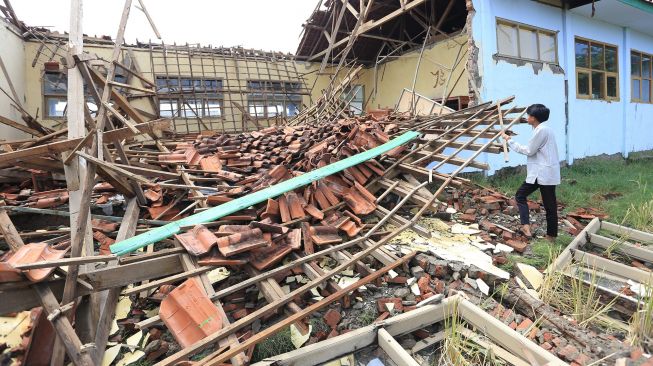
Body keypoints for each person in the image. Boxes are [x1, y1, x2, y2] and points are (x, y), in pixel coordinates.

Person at [501, 104, 560, 241]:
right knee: (522, 196)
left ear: (534, 118)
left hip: (543, 173)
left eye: (529, 115)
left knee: (547, 204)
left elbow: (529, 150)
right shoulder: (544, 130)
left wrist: (509, 140)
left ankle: (550, 236)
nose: (527, 118)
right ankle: (527, 226)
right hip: (542, 173)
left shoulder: (541, 131)